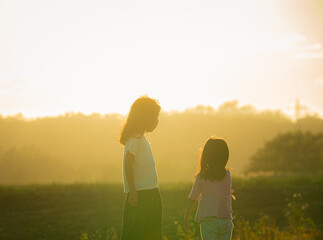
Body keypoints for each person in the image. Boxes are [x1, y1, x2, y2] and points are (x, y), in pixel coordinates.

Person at [120, 96, 162, 240]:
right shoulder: (134, 139)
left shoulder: (141, 139)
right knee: (134, 233)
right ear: (143, 117)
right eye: (154, 117)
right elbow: (128, 164)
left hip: (152, 192)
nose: (156, 121)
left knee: (152, 233)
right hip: (140, 194)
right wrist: (133, 191)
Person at [183, 137, 233, 240]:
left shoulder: (202, 176)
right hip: (226, 221)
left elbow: (193, 198)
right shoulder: (227, 175)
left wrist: (186, 218)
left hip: (209, 221)